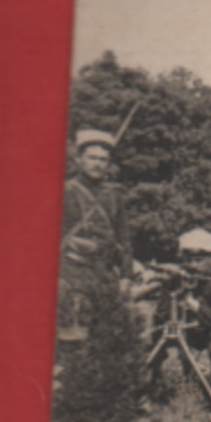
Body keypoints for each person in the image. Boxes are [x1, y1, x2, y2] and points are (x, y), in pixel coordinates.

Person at [58, 128, 133, 340]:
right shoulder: (65, 191)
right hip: (72, 274)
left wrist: (126, 276)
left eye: (103, 159)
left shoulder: (114, 195)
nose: (98, 164)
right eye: (92, 158)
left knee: (106, 339)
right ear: (79, 159)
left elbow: (124, 238)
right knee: (72, 338)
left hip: (105, 276)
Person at [155, 228, 211, 403]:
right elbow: (162, 311)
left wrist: (197, 308)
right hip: (186, 329)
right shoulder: (178, 275)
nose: (194, 265)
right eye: (189, 260)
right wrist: (174, 306)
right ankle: (152, 385)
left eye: (199, 260)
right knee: (151, 332)